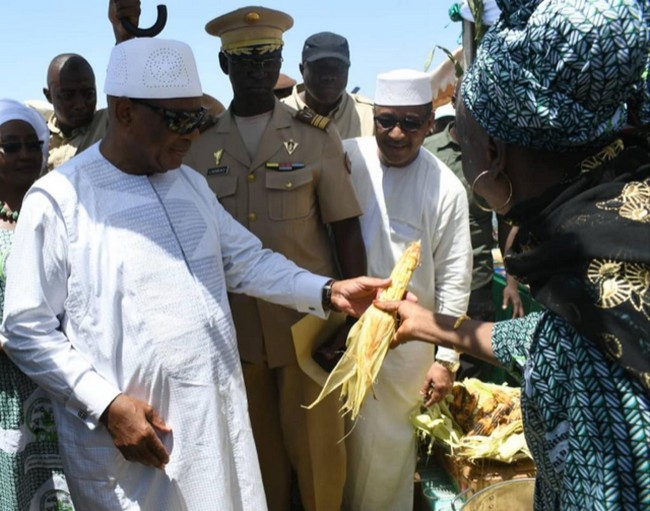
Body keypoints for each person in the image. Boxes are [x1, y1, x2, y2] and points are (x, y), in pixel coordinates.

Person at [0, 37, 388, 511]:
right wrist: (105, 405)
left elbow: (247, 261)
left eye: (198, 120)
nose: (192, 134)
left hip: (215, 429)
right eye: (179, 120)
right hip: (135, 448)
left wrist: (328, 291)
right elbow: (24, 328)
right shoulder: (59, 200)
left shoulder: (190, 185)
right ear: (124, 113)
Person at [375, 0, 650, 508]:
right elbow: (546, 339)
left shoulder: (586, 328)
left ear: (494, 152)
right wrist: (426, 324)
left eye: (461, 133)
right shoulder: (619, 235)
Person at [184, 8, 367, 511]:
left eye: (267, 58)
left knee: (318, 469)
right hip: (235, 335)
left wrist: (353, 324)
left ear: (281, 60)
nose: (257, 69)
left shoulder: (316, 135)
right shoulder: (198, 148)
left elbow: (345, 228)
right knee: (254, 470)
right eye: (244, 60)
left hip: (308, 331)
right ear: (224, 65)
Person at [341, 69, 472, 511]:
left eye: (410, 123)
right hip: (337, 333)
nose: (396, 133)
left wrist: (447, 360)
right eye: (386, 120)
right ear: (373, 117)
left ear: (429, 124)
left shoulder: (447, 189)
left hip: (404, 347)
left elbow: (455, 275)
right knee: (334, 452)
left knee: (386, 458)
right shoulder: (347, 159)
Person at [0, 100, 75, 510]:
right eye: (11, 146)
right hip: (7, 386)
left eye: (33, 143)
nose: (26, 154)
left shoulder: (60, 211)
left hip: (61, 378)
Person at [424, 99, 523, 380]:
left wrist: (512, 281)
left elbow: (507, 220)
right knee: (430, 370)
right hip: (432, 287)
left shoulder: (495, 154)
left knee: (470, 377)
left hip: (476, 284)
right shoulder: (429, 154)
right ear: (456, 104)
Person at [33, 0, 141, 171]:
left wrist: (124, 36)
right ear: (48, 96)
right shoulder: (33, 138)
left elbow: (124, 89)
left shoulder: (109, 124)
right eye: (68, 95)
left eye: (89, 93)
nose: (80, 104)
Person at [282, 32, 374, 139]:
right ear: (302, 70)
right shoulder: (278, 115)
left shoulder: (371, 118)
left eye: (338, 67)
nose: (329, 75)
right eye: (320, 67)